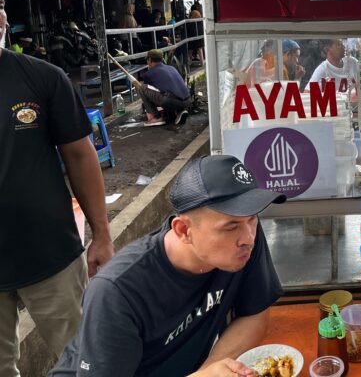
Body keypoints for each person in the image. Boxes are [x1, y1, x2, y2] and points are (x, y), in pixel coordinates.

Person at [50, 155, 286, 377]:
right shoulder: (117, 291)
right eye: (230, 226)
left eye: (253, 218)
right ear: (183, 230)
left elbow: (255, 314)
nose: (248, 237)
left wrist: (208, 370)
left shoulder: (244, 240)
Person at [0, 0, 114, 375]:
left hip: (51, 257)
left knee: (85, 360)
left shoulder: (42, 78)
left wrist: (102, 234)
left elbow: (80, 156)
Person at [138, 49, 191, 127]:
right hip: (187, 100)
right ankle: (180, 111)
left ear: (150, 60)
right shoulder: (172, 68)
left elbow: (151, 94)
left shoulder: (148, 74)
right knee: (170, 91)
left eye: (147, 60)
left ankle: (156, 117)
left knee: (142, 88)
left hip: (171, 100)